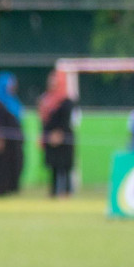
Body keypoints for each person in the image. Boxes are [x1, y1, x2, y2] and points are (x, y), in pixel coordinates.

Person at [38, 70, 76, 198]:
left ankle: (67, 192)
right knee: (53, 166)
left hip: (64, 136)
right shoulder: (45, 100)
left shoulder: (67, 101)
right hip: (50, 137)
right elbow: (43, 120)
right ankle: (54, 192)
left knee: (65, 166)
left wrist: (60, 133)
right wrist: (45, 135)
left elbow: (67, 119)